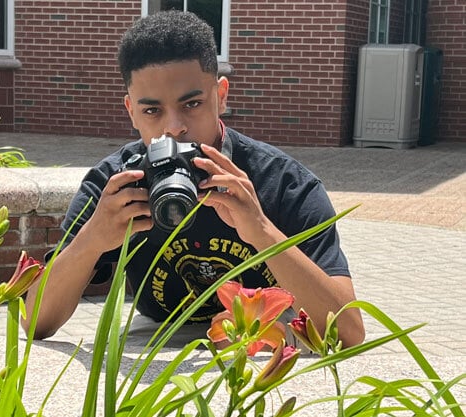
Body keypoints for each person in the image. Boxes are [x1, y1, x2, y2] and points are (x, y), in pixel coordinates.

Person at [22, 10, 365, 347]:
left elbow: (348, 331)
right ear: (131, 112)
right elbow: (36, 322)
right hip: (163, 331)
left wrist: (261, 229)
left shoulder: (283, 182)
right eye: (152, 111)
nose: (174, 127)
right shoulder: (117, 182)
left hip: (272, 332)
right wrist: (92, 240)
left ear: (221, 95)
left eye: (192, 104)